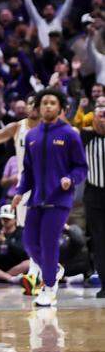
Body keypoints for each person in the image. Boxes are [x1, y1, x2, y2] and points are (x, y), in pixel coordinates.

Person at [13, 88, 88, 309]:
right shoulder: (31, 136)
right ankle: (53, 269)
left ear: (60, 108)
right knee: (29, 242)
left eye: (52, 103)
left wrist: (70, 179)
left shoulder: (70, 134)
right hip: (36, 199)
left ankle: (48, 288)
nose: (47, 106)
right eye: (44, 102)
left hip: (59, 200)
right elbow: (27, 171)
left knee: (48, 243)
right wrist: (19, 192)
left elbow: (81, 167)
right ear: (38, 107)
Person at [0, 94, 43, 293]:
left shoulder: (52, 127)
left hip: (48, 187)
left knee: (45, 233)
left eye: (38, 103)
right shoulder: (18, 127)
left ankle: (42, 274)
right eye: (31, 102)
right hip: (25, 188)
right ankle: (38, 276)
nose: (34, 107)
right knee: (31, 234)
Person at [81, 97, 105, 298]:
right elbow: (65, 125)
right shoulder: (84, 136)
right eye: (99, 106)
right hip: (94, 194)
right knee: (99, 241)